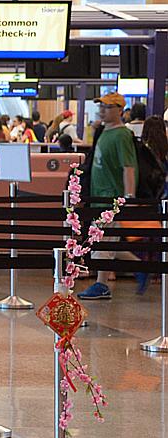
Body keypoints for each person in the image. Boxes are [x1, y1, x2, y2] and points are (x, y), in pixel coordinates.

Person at [80, 93, 137, 301]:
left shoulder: (122, 135)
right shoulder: (104, 131)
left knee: (101, 242)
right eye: (101, 107)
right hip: (99, 197)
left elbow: (128, 167)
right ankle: (141, 268)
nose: (102, 110)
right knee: (105, 242)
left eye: (107, 107)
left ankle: (101, 284)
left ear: (120, 110)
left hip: (111, 198)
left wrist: (129, 197)